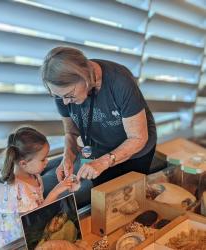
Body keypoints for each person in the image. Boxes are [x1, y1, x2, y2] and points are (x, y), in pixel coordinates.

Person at [41, 46, 157, 187]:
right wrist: (68, 157)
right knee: (102, 198)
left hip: (134, 151)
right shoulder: (62, 91)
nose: (65, 102)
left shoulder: (120, 82)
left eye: (69, 95)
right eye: (59, 97)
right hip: (98, 153)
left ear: (84, 77)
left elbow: (138, 138)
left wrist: (105, 161)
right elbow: (71, 132)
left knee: (130, 197)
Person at [0, 126, 72, 249]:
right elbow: (34, 218)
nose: (47, 161)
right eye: (43, 159)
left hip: (30, 234)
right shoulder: (15, 191)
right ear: (23, 163)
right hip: (12, 243)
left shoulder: (34, 176)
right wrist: (56, 191)